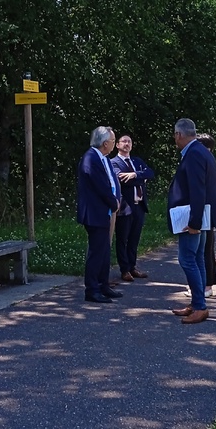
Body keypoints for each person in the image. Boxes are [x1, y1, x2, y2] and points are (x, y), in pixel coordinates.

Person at [167, 118, 216, 325]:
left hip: (193, 217)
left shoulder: (193, 154)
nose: (175, 138)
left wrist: (194, 223)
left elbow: (198, 191)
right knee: (198, 258)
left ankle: (200, 307)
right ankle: (197, 301)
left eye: (175, 135)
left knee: (187, 259)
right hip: (202, 216)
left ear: (179, 134)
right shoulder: (201, 151)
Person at [76, 127, 123, 303]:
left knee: (104, 250)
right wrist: (113, 202)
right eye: (113, 141)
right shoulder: (91, 158)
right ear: (105, 143)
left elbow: (111, 182)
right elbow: (100, 186)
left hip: (106, 211)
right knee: (97, 252)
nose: (114, 143)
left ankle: (103, 285)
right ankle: (92, 289)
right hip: (96, 213)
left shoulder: (102, 158)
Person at [111, 134, 155, 282]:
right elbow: (122, 180)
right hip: (125, 207)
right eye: (124, 141)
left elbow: (150, 173)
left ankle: (132, 267)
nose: (127, 144)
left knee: (134, 239)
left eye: (129, 141)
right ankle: (124, 270)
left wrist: (135, 174)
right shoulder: (114, 162)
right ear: (117, 145)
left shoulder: (137, 161)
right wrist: (141, 179)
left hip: (139, 206)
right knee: (123, 239)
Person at [195, 133, 216, 297]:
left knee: (205, 249)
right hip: (209, 211)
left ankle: (207, 286)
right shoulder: (210, 161)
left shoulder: (204, 161)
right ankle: (205, 284)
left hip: (206, 211)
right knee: (206, 248)